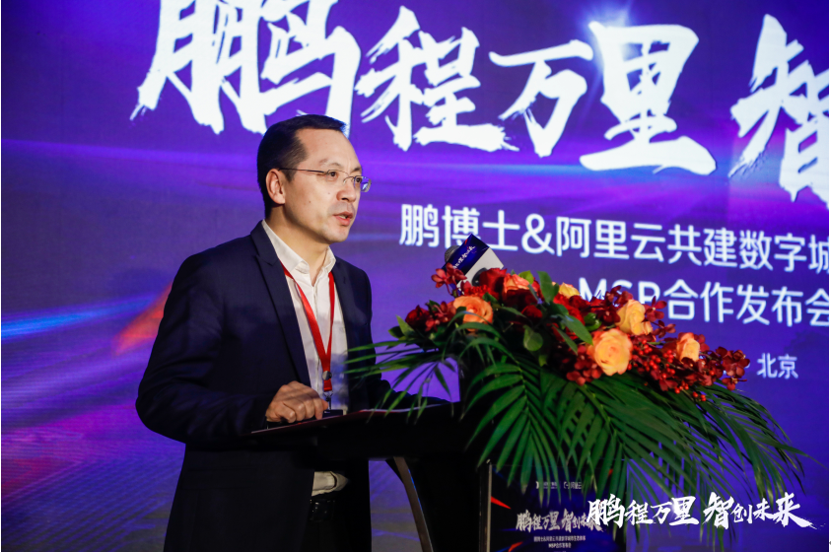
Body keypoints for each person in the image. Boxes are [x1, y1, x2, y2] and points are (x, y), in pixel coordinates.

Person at [137, 114, 392, 551]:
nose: (349, 192)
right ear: (277, 186)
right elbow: (162, 398)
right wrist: (261, 409)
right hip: (244, 530)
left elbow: (362, 393)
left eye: (356, 178)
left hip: (338, 528)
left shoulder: (354, 283)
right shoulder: (217, 273)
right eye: (330, 174)